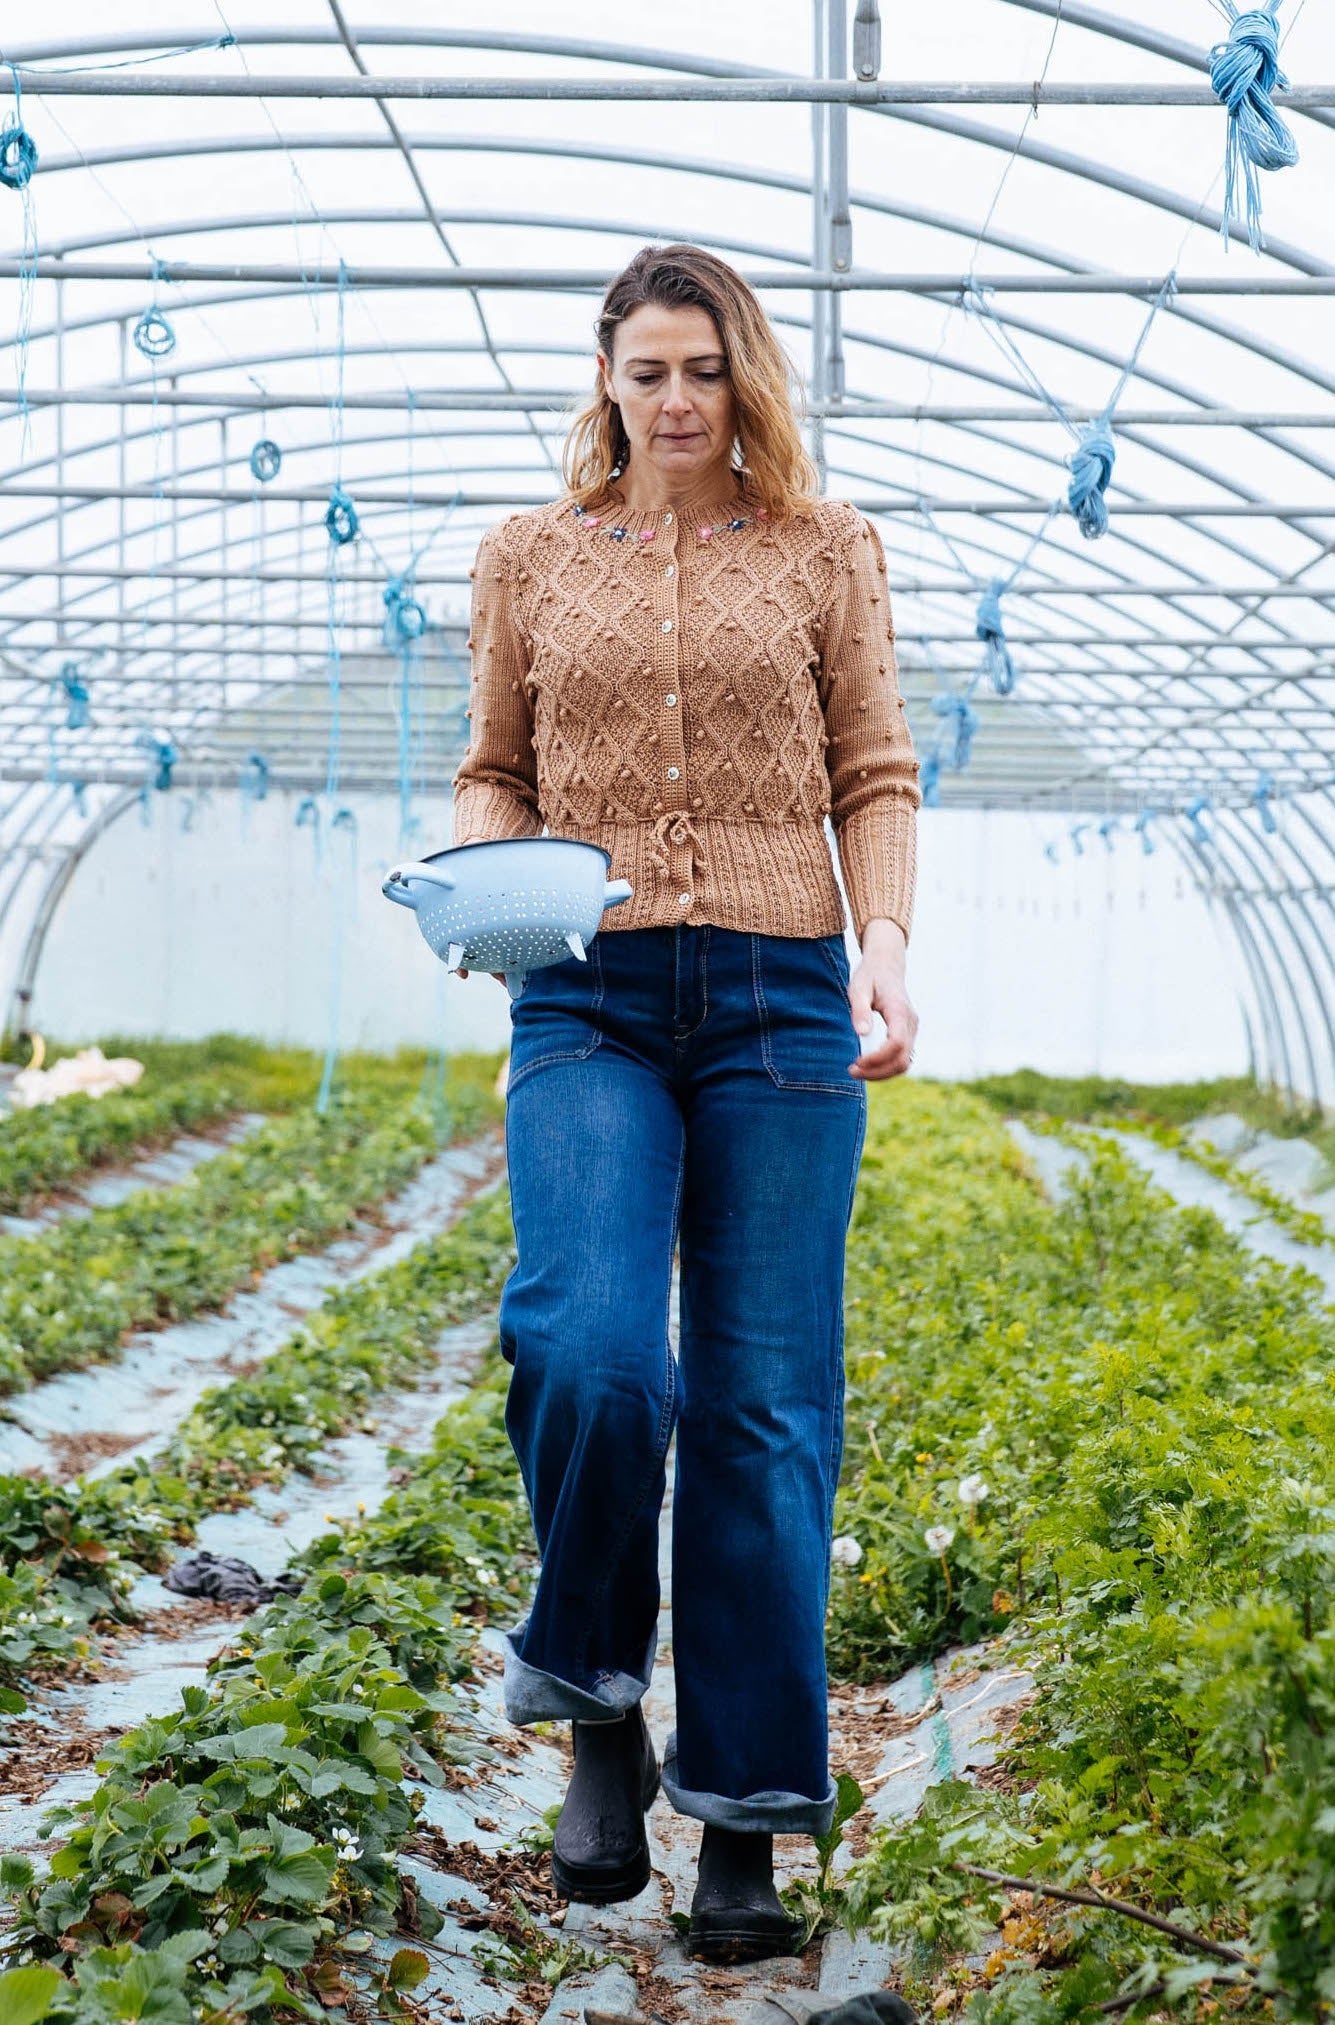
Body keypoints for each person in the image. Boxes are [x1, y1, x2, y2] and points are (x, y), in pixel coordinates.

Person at [450, 243, 920, 1965]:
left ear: (747, 380)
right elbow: (494, 763)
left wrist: (881, 950)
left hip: (784, 998)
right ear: (605, 380)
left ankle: (740, 1819)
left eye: (701, 372)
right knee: (587, 1343)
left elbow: (874, 768)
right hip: (586, 988)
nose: (671, 403)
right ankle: (594, 1700)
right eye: (644, 372)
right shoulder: (526, 555)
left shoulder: (826, 550)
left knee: (762, 1406)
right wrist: (495, 875)